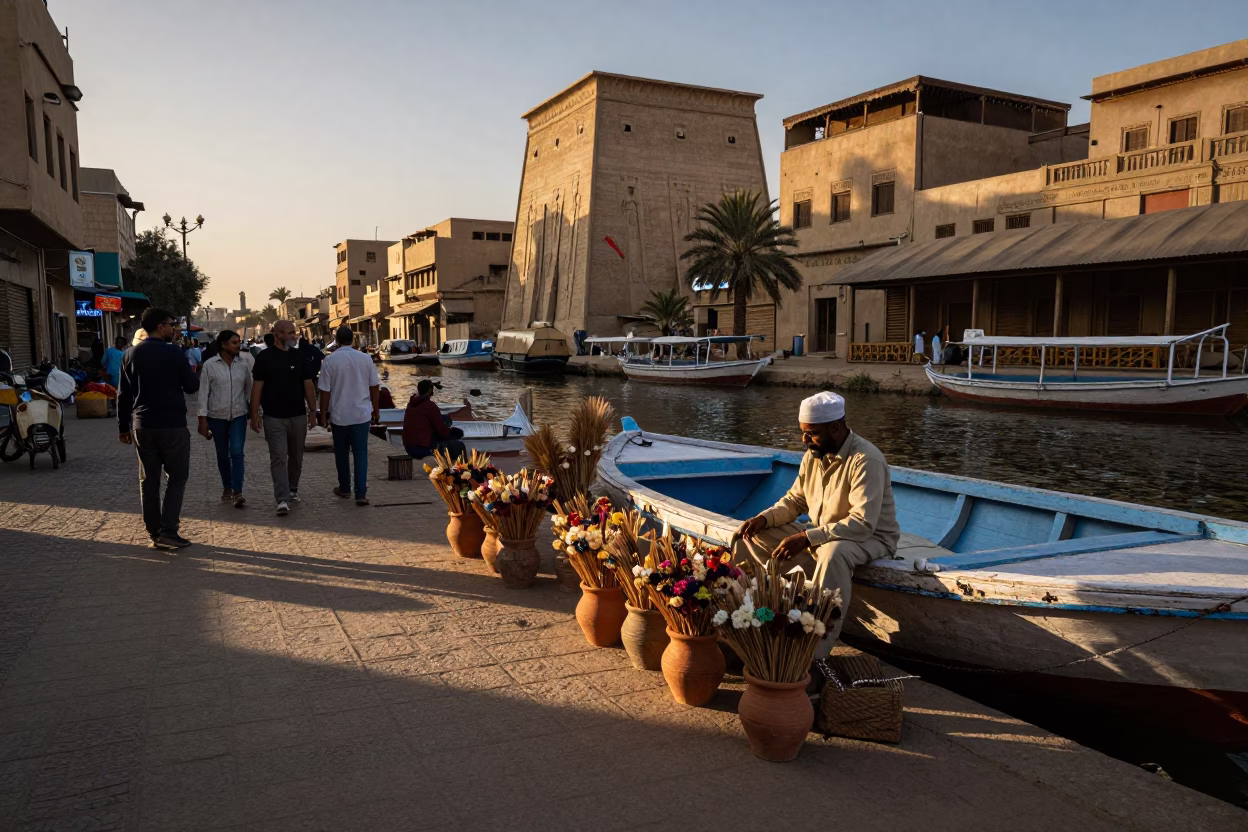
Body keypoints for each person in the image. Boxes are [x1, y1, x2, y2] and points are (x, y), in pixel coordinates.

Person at [734, 391, 899, 661]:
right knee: (750, 536)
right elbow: (795, 500)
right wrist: (763, 518)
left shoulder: (866, 459)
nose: (804, 440)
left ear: (835, 428)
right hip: (824, 533)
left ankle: (813, 650)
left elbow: (862, 523)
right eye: (803, 432)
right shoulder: (813, 454)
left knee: (833, 555)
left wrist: (808, 538)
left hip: (870, 537)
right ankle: (761, 615)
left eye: (811, 433)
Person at [117, 307, 200, 550]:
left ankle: (154, 530)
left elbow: (123, 395)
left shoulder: (129, 354)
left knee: (149, 480)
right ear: (160, 327)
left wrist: (122, 426)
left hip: (142, 426)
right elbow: (192, 386)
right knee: (177, 478)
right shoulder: (174, 352)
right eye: (171, 324)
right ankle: (168, 531)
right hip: (172, 425)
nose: (174, 329)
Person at [250, 320, 318, 516]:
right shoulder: (264, 358)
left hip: (298, 416)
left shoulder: (300, 357)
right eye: (290, 333)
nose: (294, 336)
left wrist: (313, 412)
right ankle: (282, 498)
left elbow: (308, 385)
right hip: (273, 418)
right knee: (279, 457)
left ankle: (293, 488)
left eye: (294, 333)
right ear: (278, 334)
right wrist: (254, 414)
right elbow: (257, 387)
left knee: (296, 456)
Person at [318, 327, 380, 506]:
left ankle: (344, 488)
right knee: (361, 454)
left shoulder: (329, 360)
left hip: (340, 415)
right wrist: (376, 410)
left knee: (341, 453)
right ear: (352, 339)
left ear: (335, 340)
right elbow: (374, 387)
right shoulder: (366, 358)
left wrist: (323, 415)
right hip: (361, 414)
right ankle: (361, 493)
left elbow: (325, 392)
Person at [197, 329, 253, 508]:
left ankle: (238, 491)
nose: (238, 346)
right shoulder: (210, 365)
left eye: (239, 343)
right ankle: (227, 487)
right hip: (216, 416)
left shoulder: (243, 364)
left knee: (236, 452)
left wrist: (254, 413)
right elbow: (203, 393)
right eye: (234, 343)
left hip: (238, 415)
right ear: (223, 344)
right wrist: (202, 420)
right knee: (222, 454)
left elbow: (249, 390)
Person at [402, 378, 465, 460]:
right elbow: (442, 431)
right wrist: (452, 433)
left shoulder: (410, 404)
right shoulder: (430, 406)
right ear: (429, 390)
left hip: (408, 446)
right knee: (458, 445)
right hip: (422, 448)